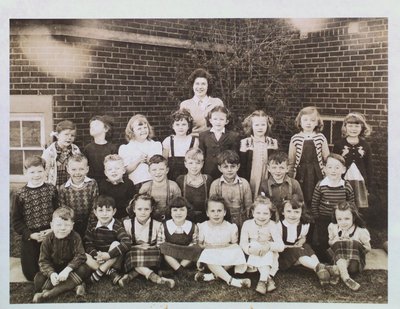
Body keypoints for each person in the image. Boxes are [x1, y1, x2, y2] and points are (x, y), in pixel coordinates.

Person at [12, 155, 58, 281]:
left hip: (50, 234)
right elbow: (16, 221)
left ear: (45, 171)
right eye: (32, 172)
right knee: (31, 274)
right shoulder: (20, 194)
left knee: (55, 266)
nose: (36, 175)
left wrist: (52, 229)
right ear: (25, 172)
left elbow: (57, 213)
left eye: (40, 171)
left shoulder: (51, 189)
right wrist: (31, 235)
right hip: (31, 237)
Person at [277, 196, 340, 287]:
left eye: (296, 212)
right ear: (283, 212)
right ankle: (321, 267)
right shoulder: (279, 225)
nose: (292, 215)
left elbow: (303, 237)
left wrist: (302, 241)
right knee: (298, 251)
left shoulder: (304, 224)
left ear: (302, 212)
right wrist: (294, 247)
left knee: (307, 247)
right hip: (284, 251)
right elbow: (278, 244)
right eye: (289, 211)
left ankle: (320, 271)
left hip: (298, 247)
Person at [32, 207, 90, 303]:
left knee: (84, 269)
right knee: (38, 279)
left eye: (66, 225)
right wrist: (51, 273)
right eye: (58, 225)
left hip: (71, 270)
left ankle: (50, 293)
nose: (62, 228)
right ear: (51, 225)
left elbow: (80, 255)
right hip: (54, 270)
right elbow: (43, 261)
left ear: (72, 226)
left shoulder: (75, 237)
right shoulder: (47, 240)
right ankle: (75, 286)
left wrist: (68, 269)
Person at [195, 195, 251, 289]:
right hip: (210, 256)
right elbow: (200, 244)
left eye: (219, 211)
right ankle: (233, 281)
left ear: (224, 212)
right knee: (207, 253)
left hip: (226, 255)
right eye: (212, 211)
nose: (216, 214)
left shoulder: (231, 227)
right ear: (207, 213)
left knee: (237, 249)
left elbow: (234, 244)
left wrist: (227, 248)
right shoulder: (203, 226)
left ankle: (211, 276)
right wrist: (207, 247)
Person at [120, 194, 175, 288]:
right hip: (133, 253)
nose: (143, 212)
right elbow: (123, 243)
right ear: (134, 209)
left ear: (151, 209)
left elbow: (160, 245)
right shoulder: (127, 224)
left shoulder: (158, 225)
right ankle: (157, 278)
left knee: (156, 252)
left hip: (151, 254)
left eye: (146, 209)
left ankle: (131, 275)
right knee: (132, 253)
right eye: (139, 209)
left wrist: (150, 247)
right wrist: (136, 247)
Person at [311, 153, 355, 262]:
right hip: (323, 217)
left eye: (337, 167)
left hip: (340, 219)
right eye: (330, 167)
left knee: (338, 237)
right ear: (324, 169)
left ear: (343, 170)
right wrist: (317, 217)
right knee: (323, 239)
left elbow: (351, 204)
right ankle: (324, 258)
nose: (333, 170)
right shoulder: (321, 185)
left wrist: (349, 217)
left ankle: (339, 256)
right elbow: (315, 202)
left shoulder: (346, 186)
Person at [288, 106, 330, 212]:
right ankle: (303, 217)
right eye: (305, 120)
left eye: (312, 120)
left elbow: (326, 158)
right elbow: (291, 161)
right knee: (302, 195)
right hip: (301, 172)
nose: (308, 123)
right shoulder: (295, 138)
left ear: (317, 123)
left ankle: (315, 217)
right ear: (300, 122)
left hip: (317, 172)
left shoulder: (321, 137)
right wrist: (290, 176)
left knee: (317, 195)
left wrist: (327, 173)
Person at [240, 196, 284, 294]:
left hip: (269, 255)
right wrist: (249, 250)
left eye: (265, 213)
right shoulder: (247, 224)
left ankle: (262, 280)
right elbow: (243, 243)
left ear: (270, 214)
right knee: (255, 245)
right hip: (253, 254)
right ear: (252, 213)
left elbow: (281, 246)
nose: (261, 216)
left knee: (267, 252)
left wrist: (268, 246)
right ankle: (267, 278)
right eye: (258, 213)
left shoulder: (272, 225)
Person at [84, 195, 130, 286]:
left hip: (113, 260)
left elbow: (127, 243)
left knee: (116, 243)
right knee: (83, 255)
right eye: (101, 210)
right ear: (95, 212)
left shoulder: (117, 225)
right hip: (98, 259)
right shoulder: (92, 225)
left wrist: (109, 255)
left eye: (108, 210)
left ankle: (100, 272)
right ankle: (110, 273)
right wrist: (97, 255)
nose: (104, 214)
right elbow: (88, 243)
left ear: (114, 212)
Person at [333, 112, 373, 210]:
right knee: (344, 203)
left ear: (362, 127)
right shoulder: (339, 144)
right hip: (344, 179)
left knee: (358, 204)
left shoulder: (365, 145)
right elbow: (335, 164)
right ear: (345, 127)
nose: (353, 129)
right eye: (350, 126)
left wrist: (369, 185)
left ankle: (357, 222)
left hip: (360, 180)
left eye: (356, 126)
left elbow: (369, 167)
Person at [327, 201, 371, 291]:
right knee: (338, 244)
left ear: (353, 217)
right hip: (338, 258)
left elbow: (368, 248)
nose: (343, 222)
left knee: (353, 243)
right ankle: (346, 277)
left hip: (353, 263)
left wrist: (351, 245)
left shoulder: (361, 231)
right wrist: (337, 241)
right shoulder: (333, 227)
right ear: (335, 218)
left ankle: (337, 272)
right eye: (339, 219)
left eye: (347, 219)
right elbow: (330, 243)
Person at [157, 196, 203, 279]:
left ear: (187, 211)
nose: (178, 213)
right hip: (170, 258)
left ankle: (175, 271)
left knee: (197, 248)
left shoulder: (192, 226)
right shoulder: (165, 226)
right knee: (164, 247)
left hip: (186, 257)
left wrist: (188, 249)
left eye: (182, 210)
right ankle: (183, 272)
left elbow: (194, 242)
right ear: (170, 212)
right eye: (175, 210)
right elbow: (160, 244)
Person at [239, 110, 278, 198]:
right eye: (256, 125)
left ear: (267, 126)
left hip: (266, 174)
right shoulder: (245, 143)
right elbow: (243, 165)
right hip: (252, 175)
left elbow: (275, 162)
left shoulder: (272, 142)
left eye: (263, 125)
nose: (260, 128)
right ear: (251, 126)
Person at [209, 150, 252, 229]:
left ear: (238, 167)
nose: (229, 170)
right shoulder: (215, 184)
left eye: (232, 166)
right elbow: (212, 206)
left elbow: (248, 207)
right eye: (225, 166)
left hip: (241, 220)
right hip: (222, 221)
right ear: (220, 168)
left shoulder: (244, 183)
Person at [58, 154, 99, 238]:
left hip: (89, 223)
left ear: (87, 169)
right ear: (68, 169)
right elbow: (63, 211)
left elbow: (94, 206)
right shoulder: (63, 188)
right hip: (71, 226)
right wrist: (69, 227)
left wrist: (90, 226)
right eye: (74, 169)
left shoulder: (92, 184)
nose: (77, 173)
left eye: (81, 169)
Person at [118, 114, 162, 189]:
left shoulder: (155, 145)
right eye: (139, 128)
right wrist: (138, 161)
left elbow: (160, 166)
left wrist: (149, 160)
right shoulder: (125, 148)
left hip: (154, 183)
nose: (143, 130)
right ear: (132, 131)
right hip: (135, 184)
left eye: (145, 127)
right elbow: (125, 170)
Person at [199, 106, 240, 179]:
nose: (218, 122)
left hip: (226, 172)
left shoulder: (233, 136)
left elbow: (234, 158)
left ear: (226, 121)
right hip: (208, 171)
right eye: (215, 119)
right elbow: (201, 156)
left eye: (221, 119)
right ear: (210, 120)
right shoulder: (203, 135)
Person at [179, 68, 224, 136]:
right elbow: (182, 129)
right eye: (197, 84)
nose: (200, 87)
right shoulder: (185, 105)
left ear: (208, 86)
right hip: (194, 143)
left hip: (213, 142)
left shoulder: (217, 103)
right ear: (192, 85)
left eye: (203, 84)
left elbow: (223, 126)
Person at [139, 155, 182, 222]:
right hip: (150, 220)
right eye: (154, 170)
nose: (158, 172)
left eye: (161, 169)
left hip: (170, 220)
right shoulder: (145, 187)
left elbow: (179, 206)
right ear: (149, 171)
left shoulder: (173, 186)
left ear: (167, 170)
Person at [176, 148, 213, 223]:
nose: (194, 166)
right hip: (186, 220)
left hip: (205, 220)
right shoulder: (181, 180)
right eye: (191, 163)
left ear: (202, 164)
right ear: (185, 164)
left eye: (197, 163)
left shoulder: (208, 179)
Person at [162, 109, 199, 181]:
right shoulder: (168, 141)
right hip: (172, 177)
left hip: (189, 177)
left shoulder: (194, 141)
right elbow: (164, 161)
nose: (180, 127)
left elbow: (196, 161)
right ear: (173, 126)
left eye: (184, 124)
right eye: (177, 124)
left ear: (189, 126)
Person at [42, 120, 80, 187]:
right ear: (57, 135)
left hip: (70, 186)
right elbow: (44, 171)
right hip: (55, 185)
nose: (69, 138)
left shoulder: (75, 149)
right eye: (66, 134)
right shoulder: (49, 152)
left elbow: (79, 165)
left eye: (72, 135)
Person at [98, 154, 135, 220]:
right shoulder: (102, 185)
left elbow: (132, 202)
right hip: (108, 216)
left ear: (123, 170)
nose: (113, 171)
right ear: (105, 173)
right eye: (110, 169)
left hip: (125, 216)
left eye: (117, 168)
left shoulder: (129, 184)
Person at [83, 115, 118, 184]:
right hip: (91, 183)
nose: (92, 127)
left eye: (96, 125)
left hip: (108, 182)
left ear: (106, 129)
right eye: (91, 126)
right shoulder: (88, 148)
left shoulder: (112, 148)